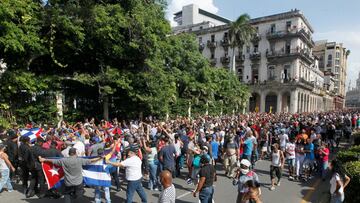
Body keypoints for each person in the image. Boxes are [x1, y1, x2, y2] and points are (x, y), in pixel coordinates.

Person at [39, 148, 103, 203]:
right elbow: (91, 160)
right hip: (78, 182)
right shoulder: (79, 160)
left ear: (69, 153)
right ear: (75, 153)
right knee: (79, 196)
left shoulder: (63, 160)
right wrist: (99, 158)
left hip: (68, 182)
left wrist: (44, 159)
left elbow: (53, 161)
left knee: (67, 195)